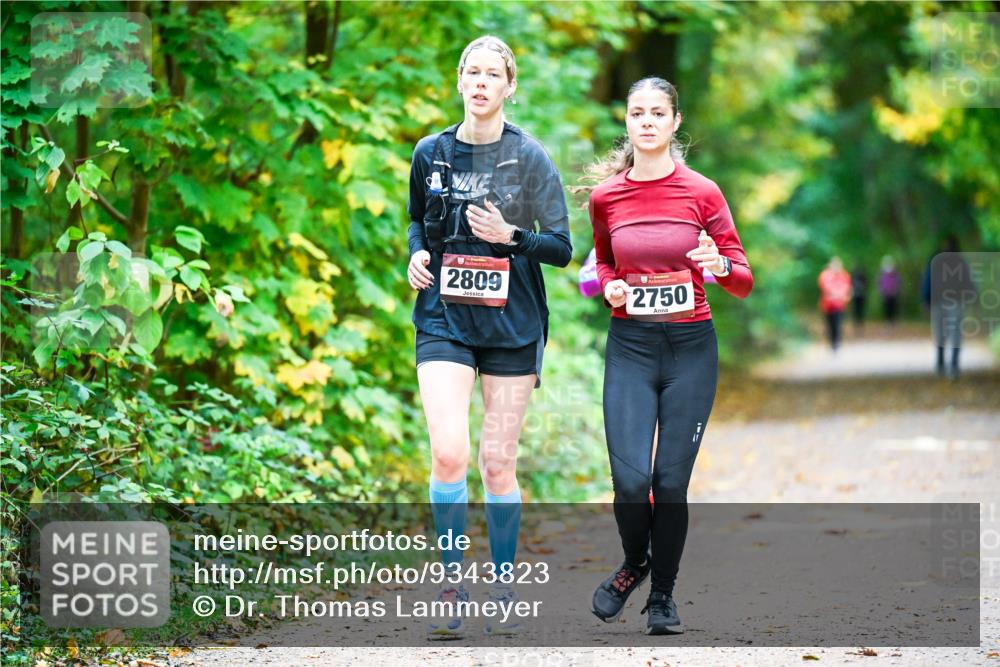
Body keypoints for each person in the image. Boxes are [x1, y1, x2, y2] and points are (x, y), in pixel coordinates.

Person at [405, 35, 572, 637]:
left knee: (496, 462)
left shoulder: (530, 159)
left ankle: (503, 582)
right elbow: (415, 222)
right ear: (459, 82)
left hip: (512, 326)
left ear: (509, 87)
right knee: (448, 452)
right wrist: (417, 255)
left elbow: (560, 247)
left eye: (491, 74)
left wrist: (511, 236)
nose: (480, 82)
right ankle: (452, 583)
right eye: (471, 72)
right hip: (444, 319)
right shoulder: (431, 152)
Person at [582, 77, 752, 635]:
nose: (648, 121)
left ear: (676, 122)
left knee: (669, 484)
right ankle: (635, 564)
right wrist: (609, 286)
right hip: (630, 347)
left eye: (659, 112)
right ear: (627, 122)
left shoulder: (703, 192)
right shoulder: (607, 197)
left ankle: (663, 597)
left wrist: (717, 264)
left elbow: (743, 278)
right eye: (638, 113)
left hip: (690, 350)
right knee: (631, 484)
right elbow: (603, 262)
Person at [922, 236, 975, 380]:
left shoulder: (955, 261)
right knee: (945, 333)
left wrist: (926, 299)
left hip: (950, 301)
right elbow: (928, 280)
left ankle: (950, 365)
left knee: (948, 333)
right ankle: (946, 364)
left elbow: (967, 281)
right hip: (942, 301)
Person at [818, 257, 852, 351]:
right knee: (830, 325)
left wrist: (839, 295)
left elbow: (847, 288)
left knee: (838, 324)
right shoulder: (825, 275)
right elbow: (825, 287)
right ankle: (832, 342)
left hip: (840, 305)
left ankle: (836, 343)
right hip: (828, 305)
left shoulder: (844, 275)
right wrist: (835, 293)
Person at [878, 255, 901, 325]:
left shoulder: (895, 273)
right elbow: (880, 283)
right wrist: (882, 291)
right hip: (886, 293)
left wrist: (896, 289)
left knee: (893, 307)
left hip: (893, 293)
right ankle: (888, 320)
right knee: (887, 307)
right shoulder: (882, 273)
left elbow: (898, 281)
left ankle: (892, 320)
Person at [850, 265, 868, 332]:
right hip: (856, 296)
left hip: (860, 296)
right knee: (856, 311)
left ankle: (859, 323)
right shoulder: (854, 277)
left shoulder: (862, 278)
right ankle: (857, 323)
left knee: (859, 311)